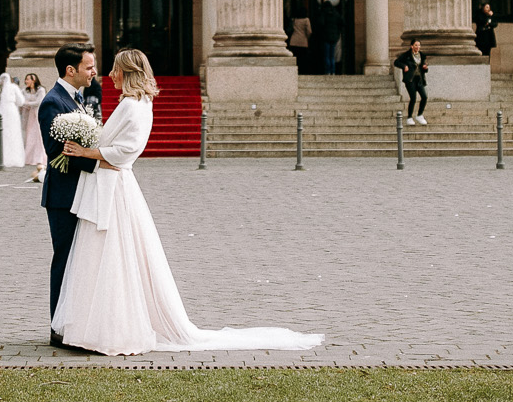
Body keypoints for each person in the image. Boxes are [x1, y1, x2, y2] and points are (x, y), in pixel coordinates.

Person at [51, 48, 323, 357]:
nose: (108, 75)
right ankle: (95, 325)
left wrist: (87, 152)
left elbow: (127, 151)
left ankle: (113, 328)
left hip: (115, 190)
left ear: (126, 73)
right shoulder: (133, 103)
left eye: (114, 70)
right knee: (102, 257)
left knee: (115, 258)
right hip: (107, 187)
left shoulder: (134, 105)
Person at [39, 44, 101, 345]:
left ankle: (74, 322)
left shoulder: (75, 100)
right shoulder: (53, 102)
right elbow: (55, 153)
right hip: (63, 195)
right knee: (64, 259)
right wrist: (97, 159)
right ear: (70, 70)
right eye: (89, 67)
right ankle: (58, 328)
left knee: (79, 260)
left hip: (80, 192)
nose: (94, 72)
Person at [393, 39, 429, 126]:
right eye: (416, 45)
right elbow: (396, 62)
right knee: (413, 98)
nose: (418, 47)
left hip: (419, 79)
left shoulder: (422, 56)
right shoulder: (406, 55)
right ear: (411, 46)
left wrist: (425, 68)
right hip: (410, 79)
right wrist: (404, 66)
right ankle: (409, 117)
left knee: (424, 97)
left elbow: (424, 68)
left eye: (419, 45)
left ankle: (419, 115)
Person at [19, 72, 46, 182]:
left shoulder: (41, 90)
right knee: (29, 135)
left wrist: (27, 103)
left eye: (28, 79)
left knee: (38, 135)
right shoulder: (25, 90)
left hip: (37, 114)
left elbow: (39, 102)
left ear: (33, 80)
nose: (26, 82)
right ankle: (29, 157)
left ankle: (39, 157)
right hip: (29, 115)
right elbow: (21, 101)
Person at [312, 0, 344, 75]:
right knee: (332, 56)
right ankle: (333, 71)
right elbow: (342, 23)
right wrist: (337, 32)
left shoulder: (324, 14)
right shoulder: (336, 14)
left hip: (326, 37)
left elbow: (321, 23)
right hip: (334, 37)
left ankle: (328, 71)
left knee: (327, 55)